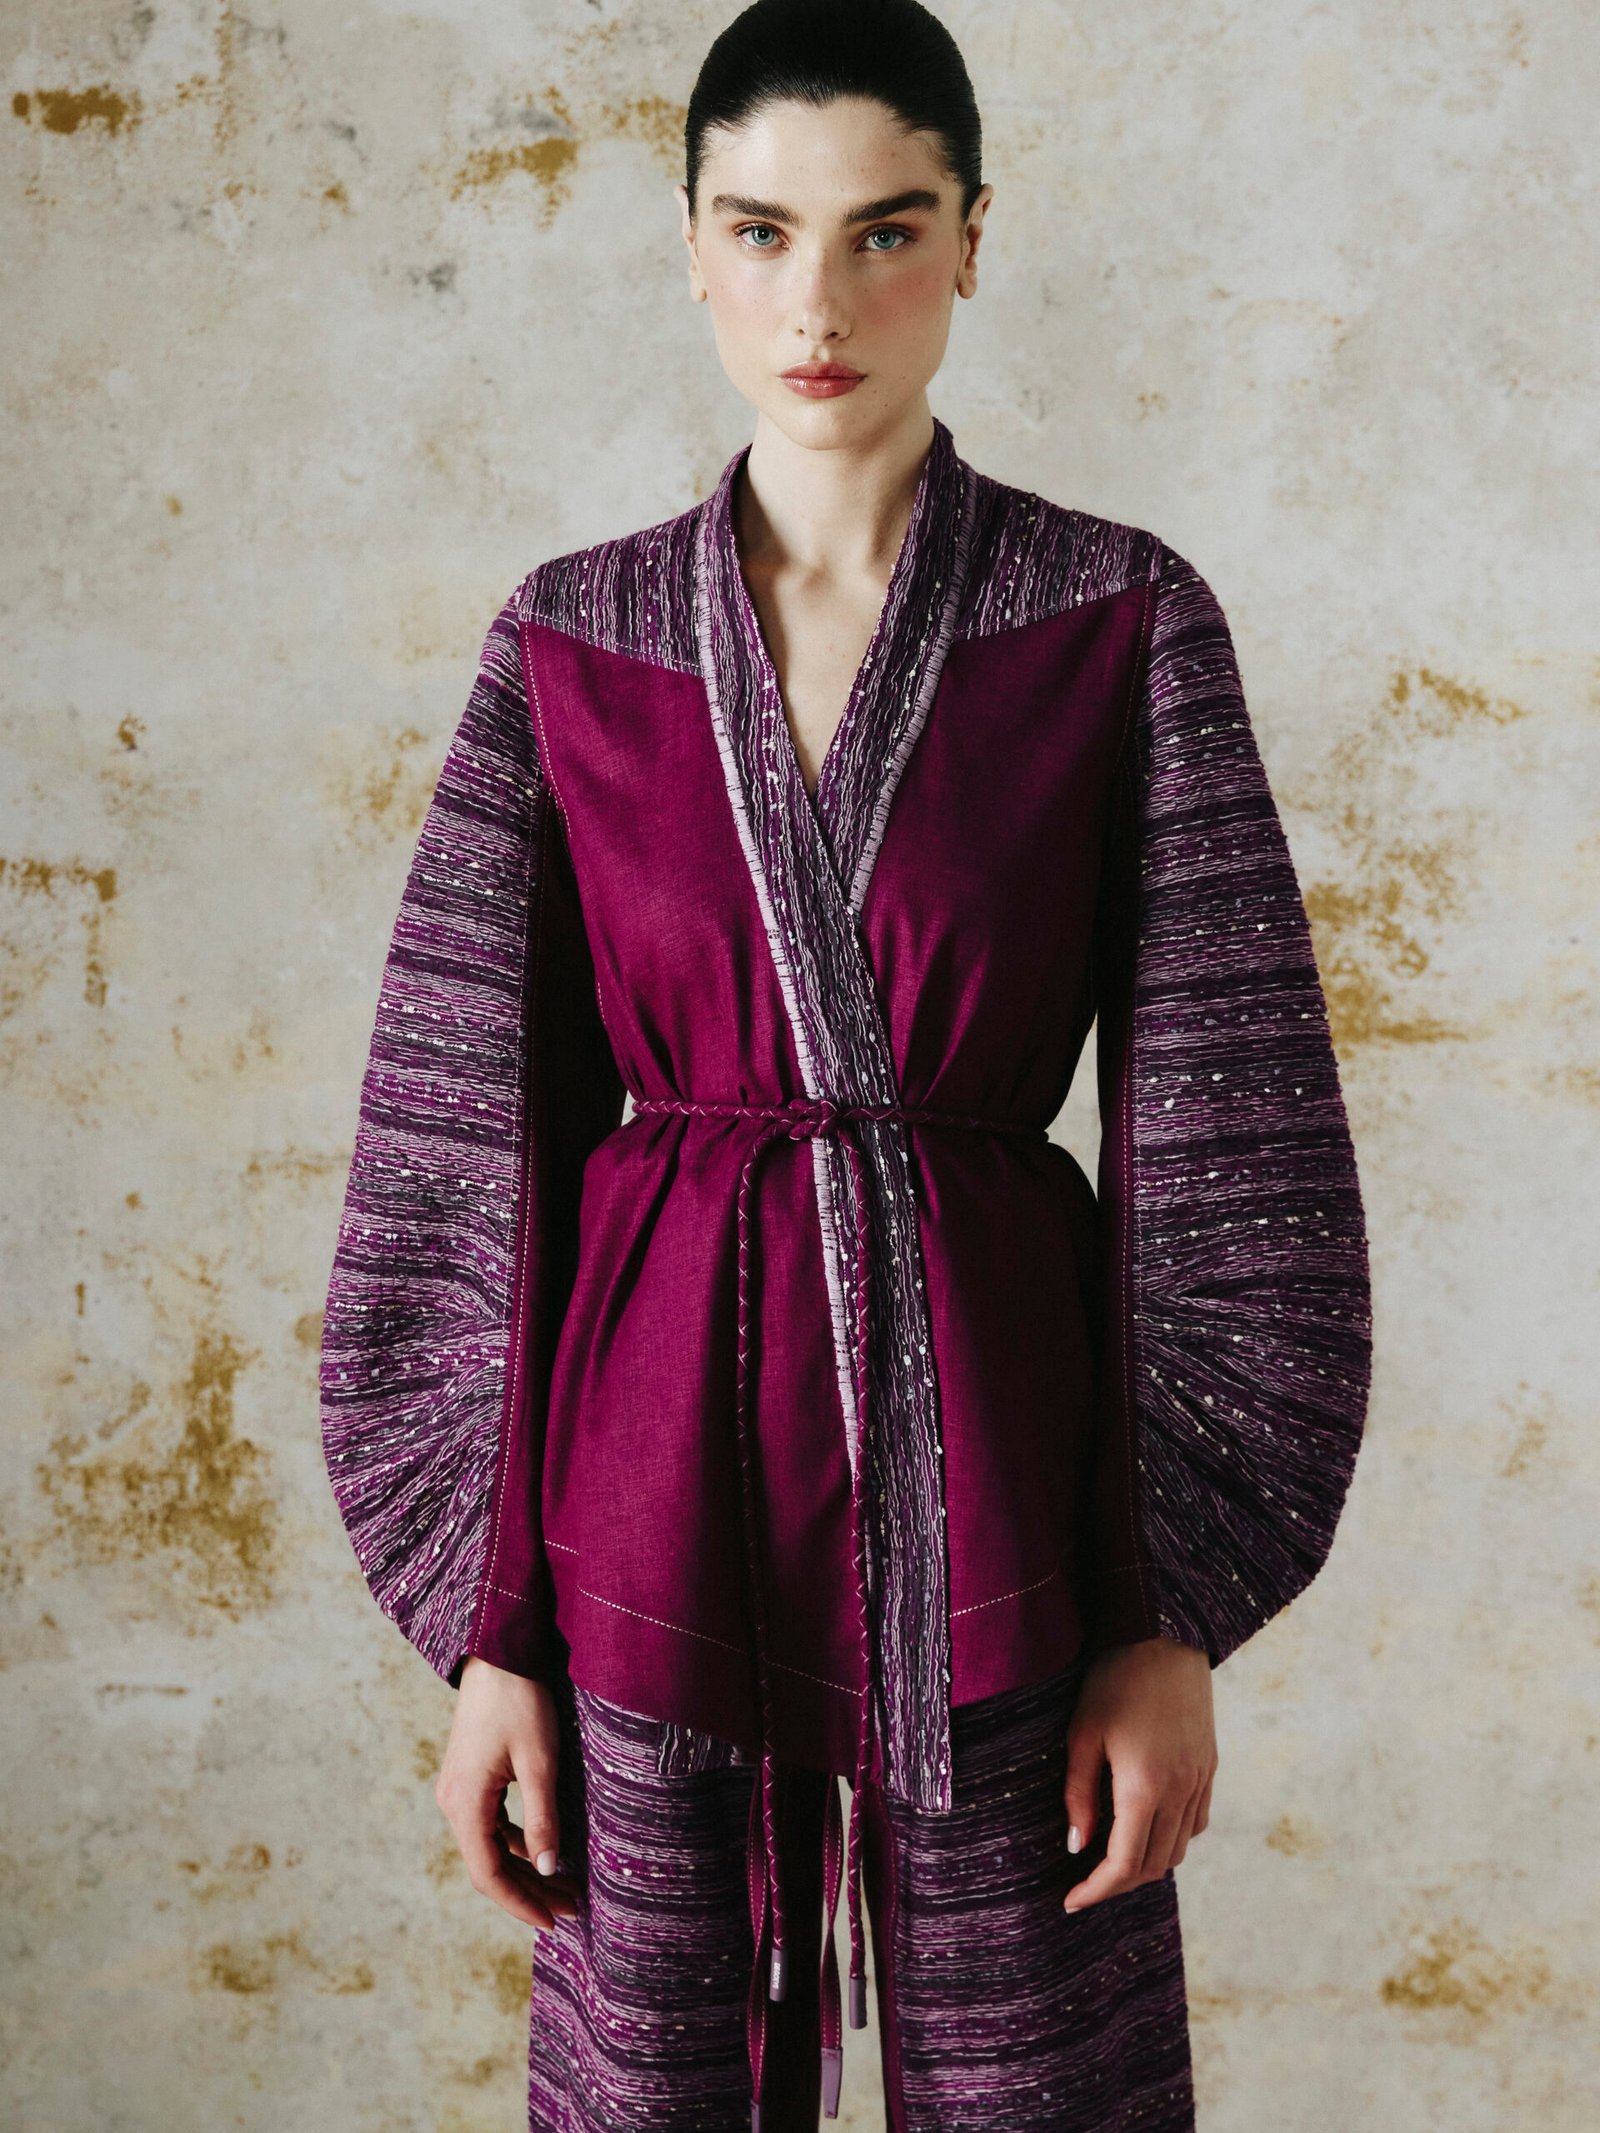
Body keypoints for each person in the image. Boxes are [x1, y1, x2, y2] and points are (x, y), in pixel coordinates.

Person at [318, 3, 1373, 2127]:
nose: (820, 302)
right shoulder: (570, 643)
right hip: (645, 1485)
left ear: (973, 239)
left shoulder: (1115, 617)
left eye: (886, 231)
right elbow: (467, 1154)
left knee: (1039, 2083)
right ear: (690, 247)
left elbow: (1223, 1123)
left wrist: (1165, 1607)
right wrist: (494, 1625)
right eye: (762, 230)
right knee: (654, 2080)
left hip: (1004, 1462)